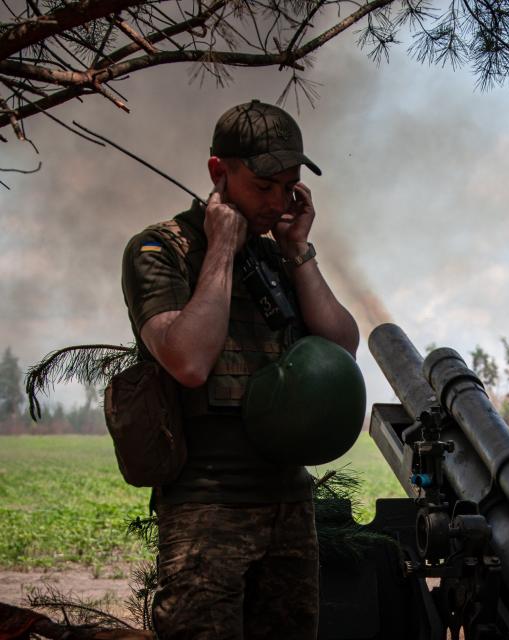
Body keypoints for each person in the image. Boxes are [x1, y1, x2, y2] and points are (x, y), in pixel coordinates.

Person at [121, 99, 360, 639]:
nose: (277, 201)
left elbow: (342, 348)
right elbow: (188, 360)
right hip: (207, 506)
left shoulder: (279, 255)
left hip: (289, 501)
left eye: (289, 186)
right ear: (218, 172)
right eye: (262, 185)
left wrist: (298, 250)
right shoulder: (161, 250)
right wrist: (223, 247)